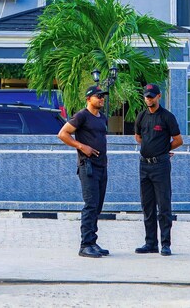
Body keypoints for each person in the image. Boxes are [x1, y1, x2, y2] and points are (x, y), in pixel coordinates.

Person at [57, 85, 110, 258]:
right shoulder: (81, 116)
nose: (101, 99)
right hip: (88, 167)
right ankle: (85, 245)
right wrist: (81, 146)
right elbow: (62, 134)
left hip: (102, 166)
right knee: (90, 205)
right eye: (98, 96)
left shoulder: (103, 118)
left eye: (102, 96)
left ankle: (93, 242)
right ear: (88, 98)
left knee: (98, 206)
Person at [133, 83, 183, 256]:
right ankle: (150, 243)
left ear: (159, 96)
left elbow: (178, 140)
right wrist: (151, 148)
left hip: (160, 166)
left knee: (163, 205)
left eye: (152, 96)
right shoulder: (141, 116)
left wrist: (162, 150)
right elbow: (138, 137)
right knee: (147, 206)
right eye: (146, 96)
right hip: (144, 165)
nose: (149, 99)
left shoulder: (167, 117)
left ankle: (165, 244)